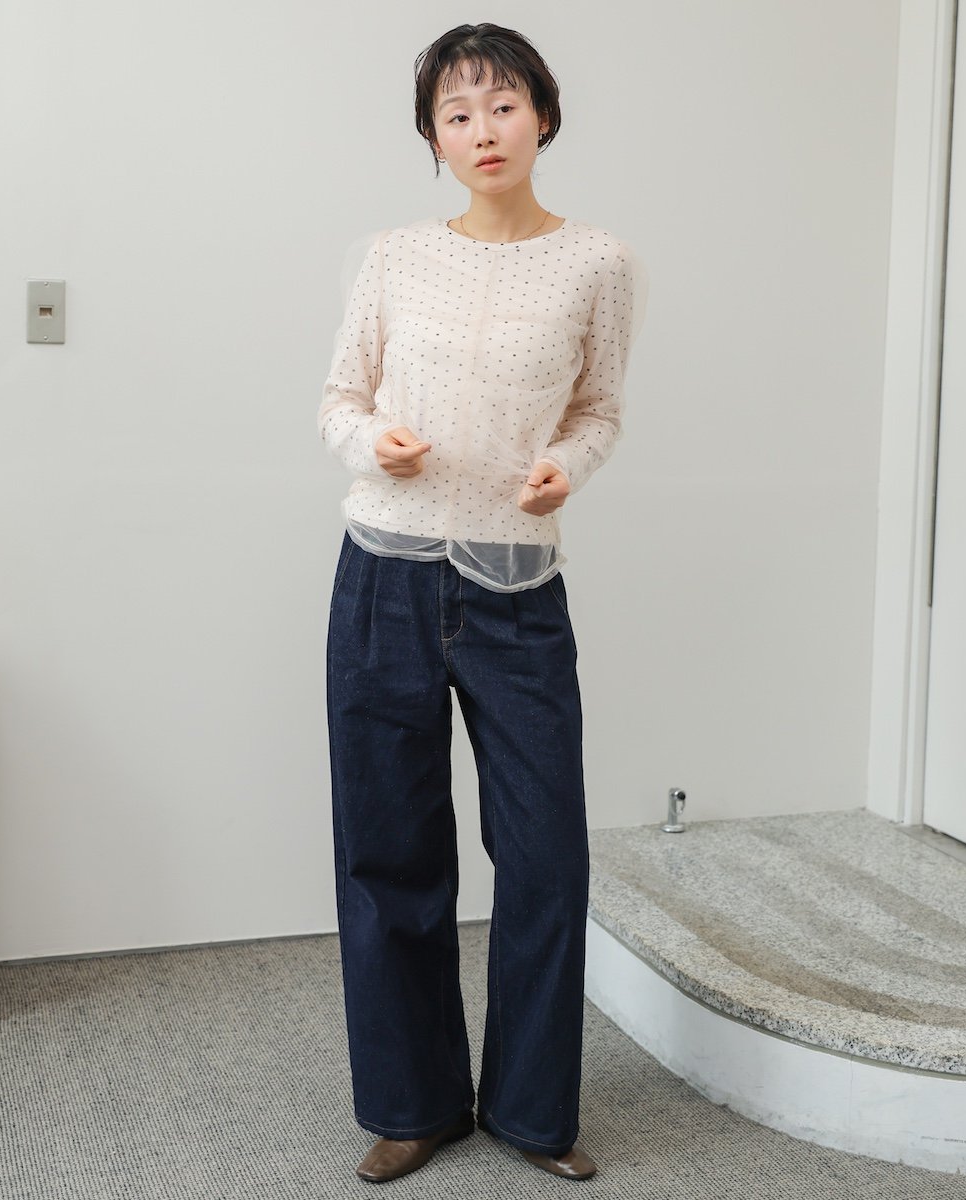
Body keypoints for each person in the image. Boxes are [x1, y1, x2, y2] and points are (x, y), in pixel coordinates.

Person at [318, 22, 646, 1185]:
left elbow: (598, 408)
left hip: (516, 591)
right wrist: (374, 444)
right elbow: (339, 396)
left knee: (545, 855)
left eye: (502, 105)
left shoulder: (598, 262)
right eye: (456, 114)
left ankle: (529, 1112)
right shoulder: (394, 256)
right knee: (390, 850)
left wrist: (569, 466)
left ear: (543, 115)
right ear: (434, 138)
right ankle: (414, 1105)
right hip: (385, 576)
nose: (482, 130)